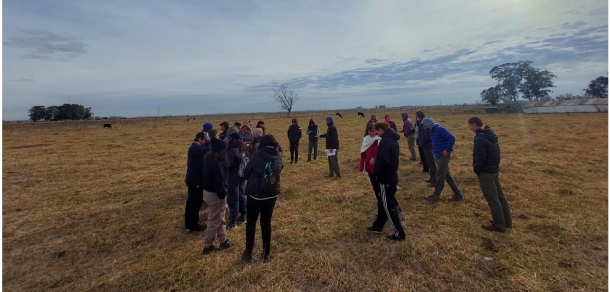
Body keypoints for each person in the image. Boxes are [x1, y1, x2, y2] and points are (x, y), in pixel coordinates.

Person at [241, 135, 284, 263]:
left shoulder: (257, 154)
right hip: (271, 194)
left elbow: (246, 172)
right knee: (266, 224)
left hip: (255, 195)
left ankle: (248, 252)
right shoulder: (278, 155)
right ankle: (266, 254)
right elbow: (279, 169)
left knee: (251, 223)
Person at [468, 116, 512, 233]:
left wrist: (477, 169)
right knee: (500, 197)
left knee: (493, 199)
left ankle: (499, 225)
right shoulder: (490, 135)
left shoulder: (480, 139)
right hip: (494, 170)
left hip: (486, 173)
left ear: (475, 125)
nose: (470, 128)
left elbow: (481, 157)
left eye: (470, 125)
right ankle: (506, 222)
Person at [367, 121, 406, 241]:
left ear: (381, 130)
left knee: (388, 206)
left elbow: (384, 160)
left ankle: (399, 234)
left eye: (377, 131)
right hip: (391, 176)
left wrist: (376, 172)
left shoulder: (385, 141)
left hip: (385, 178)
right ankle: (378, 225)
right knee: (384, 203)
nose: (377, 133)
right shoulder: (392, 139)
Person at [201, 138, 236, 254]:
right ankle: (207, 245)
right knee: (213, 220)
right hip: (216, 194)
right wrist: (222, 194)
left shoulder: (209, 158)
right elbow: (219, 180)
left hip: (208, 192)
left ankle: (223, 240)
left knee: (220, 218)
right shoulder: (218, 163)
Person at [421, 117, 464, 203]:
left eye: (425, 126)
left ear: (429, 124)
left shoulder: (439, 129)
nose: (424, 128)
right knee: (447, 176)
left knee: (440, 176)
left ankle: (435, 197)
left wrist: (447, 150)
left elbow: (452, 138)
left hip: (443, 156)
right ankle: (458, 195)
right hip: (438, 156)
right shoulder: (432, 131)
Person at [184, 132, 210, 232]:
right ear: (199, 139)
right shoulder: (196, 148)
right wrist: (210, 143)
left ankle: (189, 223)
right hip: (195, 179)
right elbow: (208, 150)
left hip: (193, 177)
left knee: (191, 200)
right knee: (195, 202)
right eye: (205, 140)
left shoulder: (195, 147)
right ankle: (193, 225)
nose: (206, 142)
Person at [226, 133, 247, 230]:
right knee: (242, 194)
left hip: (233, 177)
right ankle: (243, 216)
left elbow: (228, 165)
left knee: (233, 198)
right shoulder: (241, 148)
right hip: (241, 175)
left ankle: (232, 222)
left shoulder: (231, 151)